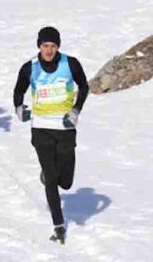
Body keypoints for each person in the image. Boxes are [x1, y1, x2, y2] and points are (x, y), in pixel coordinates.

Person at [12, 26, 89, 245]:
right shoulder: (30, 68)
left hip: (65, 127)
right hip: (41, 128)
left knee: (65, 182)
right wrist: (19, 108)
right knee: (52, 177)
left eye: (53, 46)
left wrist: (76, 111)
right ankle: (58, 225)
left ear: (58, 47)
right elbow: (18, 91)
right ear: (39, 46)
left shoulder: (70, 64)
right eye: (45, 46)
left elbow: (84, 87)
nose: (49, 50)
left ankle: (48, 177)